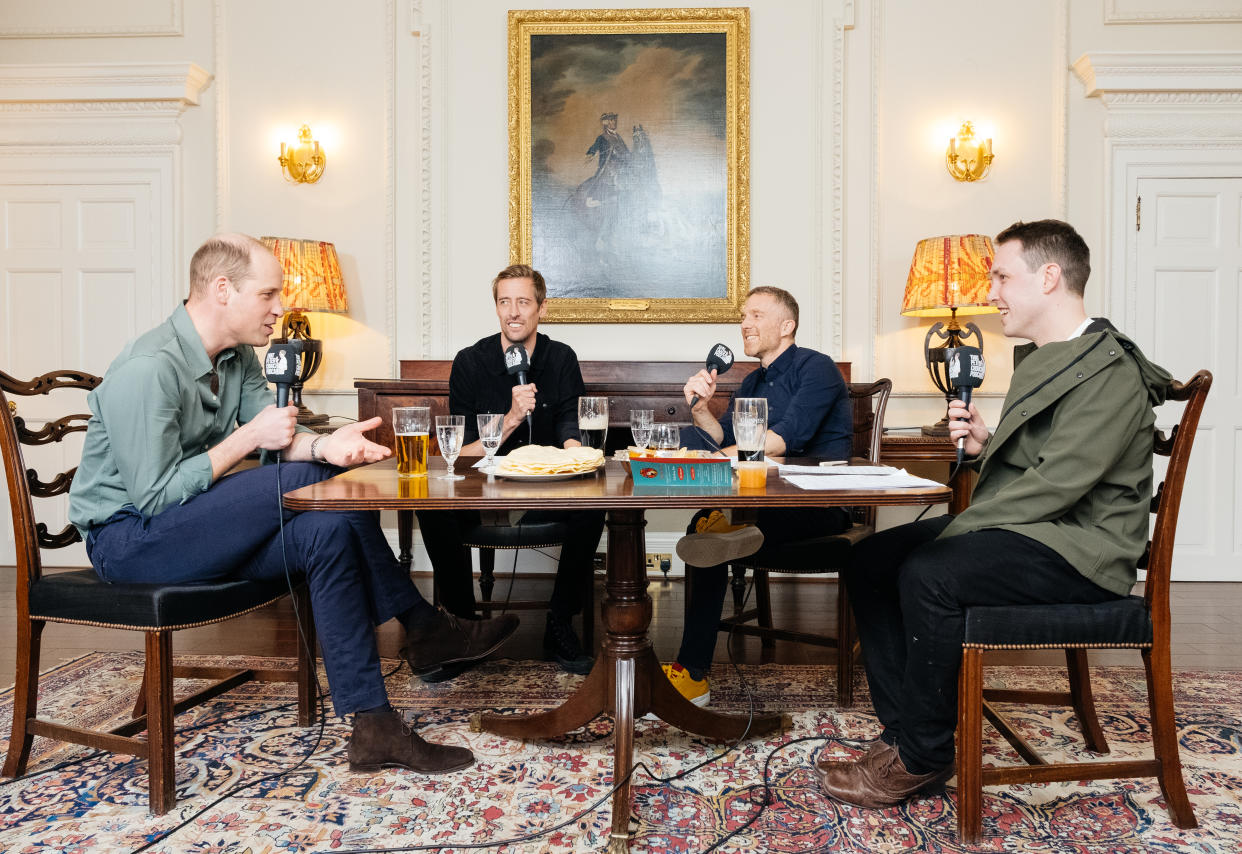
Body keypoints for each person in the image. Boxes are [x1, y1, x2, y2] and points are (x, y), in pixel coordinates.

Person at [68, 234, 520, 775]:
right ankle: (424, 628)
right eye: (268, 294)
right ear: (222, 290)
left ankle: (373, 726)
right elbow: (157, 497)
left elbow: (281, 438)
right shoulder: (149, 368)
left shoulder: (234, 358)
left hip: (193, 528)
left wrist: (328, 444)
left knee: (324, 530)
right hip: (131, 542)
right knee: (314, 484)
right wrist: (248, 439)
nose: (280, 308)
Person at [817, 219, 1172, 808]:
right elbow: (1041, 463)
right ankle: (907, 729)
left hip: (1083, 551)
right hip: (1042, 531)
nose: (992, 292)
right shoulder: (1058, 358)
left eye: (1003, 276)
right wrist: (989, 444)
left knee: (928, 570)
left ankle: (922, 758)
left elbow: (1057, 485)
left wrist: (952, 530)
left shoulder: (1109, 372)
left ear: (1050, 277)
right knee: (871, 559)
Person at [662, 286, 853, 707]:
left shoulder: (816, 368)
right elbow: (725, 439)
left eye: (756, 315)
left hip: (816, 507)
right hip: (762, 504)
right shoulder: (751, 379)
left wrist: (711, 462)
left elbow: (785, 439)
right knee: (704, 525)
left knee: (709, 528)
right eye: (743, 316)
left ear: (787, 326)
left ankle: (692, 673)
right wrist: (700, 410)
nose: (744, 323)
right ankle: (692, 671)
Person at [416, 264, 606, 676]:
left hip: (546, 489)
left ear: (542, 308)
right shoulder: (471, 362)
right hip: (483, 487)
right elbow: (462, 451)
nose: (513, 312)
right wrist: (513, 417)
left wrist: (583, 455)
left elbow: (570, 426)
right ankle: (465, 628)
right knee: (431, 508)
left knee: (593, 506)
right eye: (505, 302)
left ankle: (559, 624)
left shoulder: (560, 358)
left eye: (523, 302)